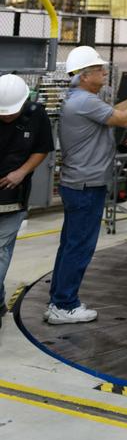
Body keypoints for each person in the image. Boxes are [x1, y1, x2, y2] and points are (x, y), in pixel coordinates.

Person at [46, 45, 127, 325]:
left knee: (70, 245)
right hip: (86, 185)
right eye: (99, 69)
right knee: (79, 247)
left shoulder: (81, 99)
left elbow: (112, 112)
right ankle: (64, 305)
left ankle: (58, 301)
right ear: (85, 76)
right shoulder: (84, 102)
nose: (104, 72)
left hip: (79, 183)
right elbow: (123, 119)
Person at [0, 75, 53, 329]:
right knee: (2, 250)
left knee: (0, 249)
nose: (6, 117)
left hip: (13, 199)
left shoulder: (36, 115)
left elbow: (41, 148)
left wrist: (22, 172)